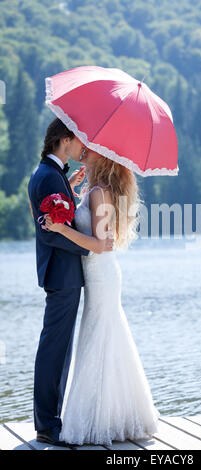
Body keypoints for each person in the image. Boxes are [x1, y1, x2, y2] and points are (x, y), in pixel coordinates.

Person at [45, 146, 160, 446]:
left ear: (104, 157)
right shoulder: (93, 189)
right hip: (99, 275)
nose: (84, 149)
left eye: (92, 149)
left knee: (100, 338)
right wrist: (69, 189)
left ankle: (101, 421)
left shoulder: (99, 192)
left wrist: (59, 229)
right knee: (103, 338)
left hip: (102, 274)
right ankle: (113, 416)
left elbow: (102, 245)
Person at [28, 118, 114, 447]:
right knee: (55, 349)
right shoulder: (49, 177)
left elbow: (61, 216)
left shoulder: (52, 175)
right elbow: (54, 234)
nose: (83, 147)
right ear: (65, 140)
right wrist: (91, 248)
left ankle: (49, 421)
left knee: (58, 348)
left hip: (61, 273)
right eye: (79, 140)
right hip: (62, 273)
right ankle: (47, 425)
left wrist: (70, 185)